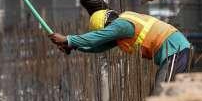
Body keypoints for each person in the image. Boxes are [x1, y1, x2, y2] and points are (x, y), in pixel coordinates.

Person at [49, 9, 191, 94]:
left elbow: (95, 38)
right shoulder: (122, 30)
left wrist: (68, 39)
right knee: (172, 94)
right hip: (176, 51)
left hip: (175, 51)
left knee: (161, 95)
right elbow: (98, 46)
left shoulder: (122, 25)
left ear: (106, 26)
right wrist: (74, 46)